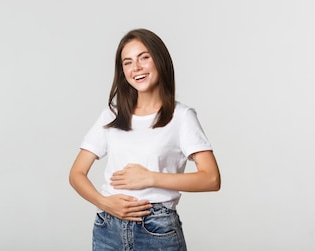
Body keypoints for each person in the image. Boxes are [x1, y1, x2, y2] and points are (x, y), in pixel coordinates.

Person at [68, 28, 221, 251]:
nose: (136, 68)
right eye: (127, 62)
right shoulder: (112, 114)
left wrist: (150, 178)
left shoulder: (181, 117)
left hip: (156, 229)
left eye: (144, 58)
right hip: (107, 228)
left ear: (159, 60)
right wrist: (106, 203)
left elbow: (211, 179)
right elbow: (76, 174)